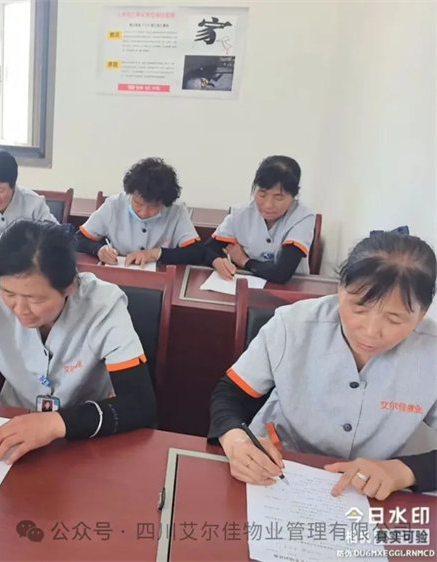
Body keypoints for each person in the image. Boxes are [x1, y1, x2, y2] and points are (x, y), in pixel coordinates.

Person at [209, 231, 437, 497]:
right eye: (359, 309)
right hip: (275, 471)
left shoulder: (430, 351)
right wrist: (235, 439)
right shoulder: (292, 325)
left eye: (394, 319)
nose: (371, 331)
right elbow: (230, 394)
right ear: (340, 288)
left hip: (367, 491)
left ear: (422, 313)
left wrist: (403, 471)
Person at [0, 220, 156, 463]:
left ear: (70, 286)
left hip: (85, 437)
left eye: (35, 299)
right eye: (9, 293)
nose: (20, 309)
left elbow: (139, 403)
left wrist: (56, 423)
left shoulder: (103, 307)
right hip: (10, 428)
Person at [204, 155, 315, 283]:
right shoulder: (241, 213)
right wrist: (216, 261)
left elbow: (281, 273)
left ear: (293, 196)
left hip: (291, 289)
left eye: (278, 197)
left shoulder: (302, 218)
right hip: (247, 285)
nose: (268, 205)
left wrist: (244, 261)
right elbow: (208, 249)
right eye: (262, 194)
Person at [76, 157, 203, 266]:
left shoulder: (176, 211)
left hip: (160, 278)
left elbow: (196, 253)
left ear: (164, 202)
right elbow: (78, 239)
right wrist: (98, 250)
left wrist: (155, 254)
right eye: (138, 203)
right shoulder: (114, 205)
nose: (143, 213)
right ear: (131, 194)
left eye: (153, 207)